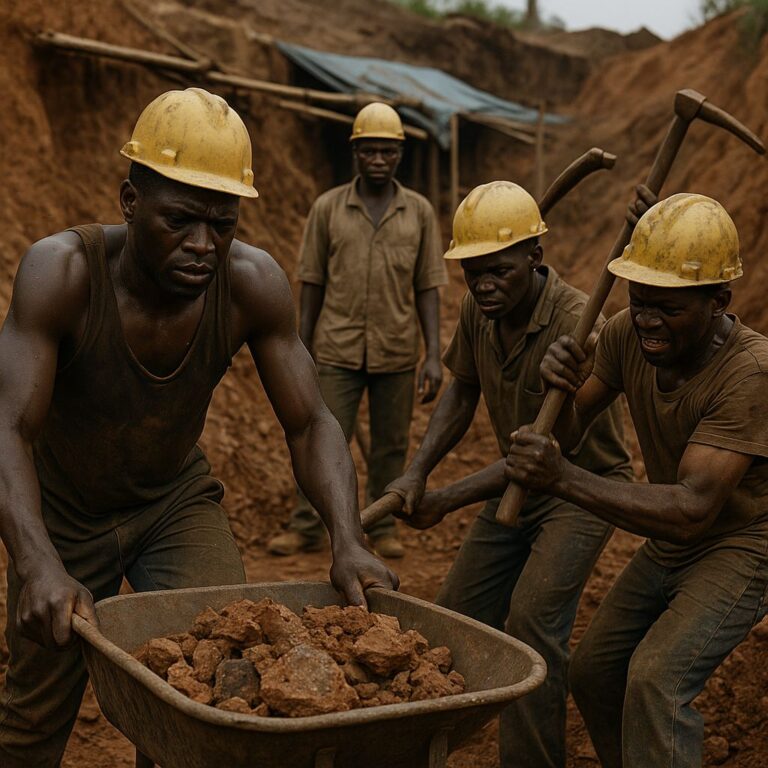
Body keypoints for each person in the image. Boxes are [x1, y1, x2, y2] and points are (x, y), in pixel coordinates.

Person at [0, 87, 397, 768]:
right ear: (131, 201)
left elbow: (310, 422)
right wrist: (37, 564)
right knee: (33, 715)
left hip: (172, 503)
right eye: (180, 221)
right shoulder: (62, 273)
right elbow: (8, 425)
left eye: (222, 224)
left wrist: (348, 538)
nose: (202, 246)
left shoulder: (251, 284)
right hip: (64, 509)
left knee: (212, 679)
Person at [504, 192, 768, 768]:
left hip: (742, 544)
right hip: (671, 541)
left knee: (656, 680)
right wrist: (559, 387)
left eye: (668, 308)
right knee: (595, 672)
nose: (648, 320)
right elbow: (571, 430)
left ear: (719, 301)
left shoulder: (750, 373)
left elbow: (692, 509)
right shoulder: (627, 333)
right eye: (639, 299)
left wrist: (561, 478)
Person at [386, 181, 633, 768]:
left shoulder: (577, 324)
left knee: (532, 623)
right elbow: (461, 390)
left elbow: (542, 451)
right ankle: (424, 750)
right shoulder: (479, 309)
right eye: (473, 273)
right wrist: (417, 473)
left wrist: (445, 499)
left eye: (499, 271)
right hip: (519, 482)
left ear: (535, 258)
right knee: (456, 617)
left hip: (581, 488)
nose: (484, 285)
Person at [267, 102, 447, 560]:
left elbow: (428, 286)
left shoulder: (419, 213)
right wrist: (301, 345)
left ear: (400, 154)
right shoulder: (328, 208)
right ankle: (307, 525)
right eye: (369, 151)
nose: (378, 160)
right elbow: (311, 281)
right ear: (356, 153)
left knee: (391, 446)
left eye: (387, 151)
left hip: (396, 349)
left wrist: (432, 354)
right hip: (336, 349)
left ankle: (382, 526)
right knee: (320, 437)